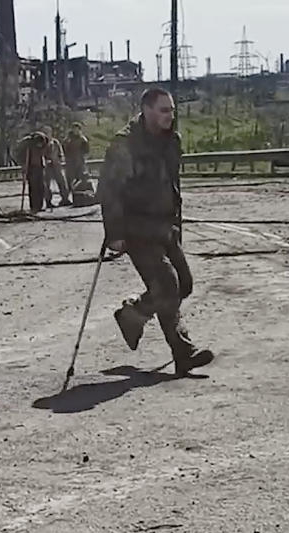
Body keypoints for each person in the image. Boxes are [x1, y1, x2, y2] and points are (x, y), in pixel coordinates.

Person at [99, 87, 214, 376]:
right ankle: (183, 352)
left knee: (184, 284)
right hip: (137, 227)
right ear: (146, 110)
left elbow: (173, 186)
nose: (169, 116)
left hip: (166, 226)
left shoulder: (171, 140)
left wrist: (177, 226)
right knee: (167, 285)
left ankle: (133, 314)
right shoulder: (125, 144)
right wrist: (114, 233)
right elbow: (109, 191)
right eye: (164, 110)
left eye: (172, 110)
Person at [17, 131, 49, 213]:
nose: (40, 146)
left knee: (41, 186)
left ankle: (40, 205)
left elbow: (45, 151)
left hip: (40, 167)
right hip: (31, 167)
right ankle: (34, 206)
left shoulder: (44, 140)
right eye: (39, 144)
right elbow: (22, 156)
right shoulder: (28, 144)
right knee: (33, 187)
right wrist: (24, 166)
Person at [42, 125, 71, 208]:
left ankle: (65, 199)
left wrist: (61, 159)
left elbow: (60, 152)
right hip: (47, 166)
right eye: (45, 132)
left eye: (48, 132)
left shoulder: (55, 142)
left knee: (62, 181)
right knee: (47, 184)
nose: (47, 134)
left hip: (56, 164)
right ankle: (48, 201)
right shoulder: (42, 143)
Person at [64, 122, 90, 188]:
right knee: (69, 179)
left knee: (81, 178)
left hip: (79, 161)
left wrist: (83, 159)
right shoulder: (68, 139)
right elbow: (64, 149)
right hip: (70, 161)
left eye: (77, 129)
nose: (75, 130)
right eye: (74, 129)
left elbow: (86, 151)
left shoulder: (83, 139)